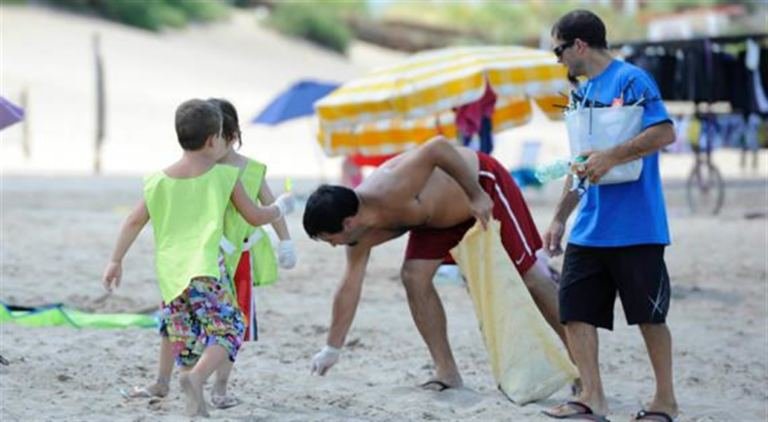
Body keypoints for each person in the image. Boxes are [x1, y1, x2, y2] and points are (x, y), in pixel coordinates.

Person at [303, 136, 568, 391]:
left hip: (482, 187)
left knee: (531, 277)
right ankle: (446, 372)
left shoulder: (390, 186)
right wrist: (331, 349)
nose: (333, 245)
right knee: (414, 276)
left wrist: (476, 194)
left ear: (348, 223)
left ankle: (581, 363)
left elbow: (437, 147)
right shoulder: (358, 239)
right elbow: (349, 286)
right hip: (435, 221)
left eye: (330, 239)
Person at [102, 99, 294, 417]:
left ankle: (194, 400)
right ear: (213, 139)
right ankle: (197, 378)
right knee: (230, 327)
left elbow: (133, 221)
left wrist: (115, 260)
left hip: (171, 272)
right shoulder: (224, 177)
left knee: (185, 334)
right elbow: (255, 216)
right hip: (205, 267)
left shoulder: (157, 181)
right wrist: (281, 207)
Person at [542, 10, 678, 422]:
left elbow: (665, 132)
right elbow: (580, 163)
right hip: (589, 228)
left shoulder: (633, 80)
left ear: (580, 45)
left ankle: (665, 402)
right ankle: (592, 398)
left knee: (649, 317)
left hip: (638, 226)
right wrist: (560, 217)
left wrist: (612, 155)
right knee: (574, 311)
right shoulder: (580, 95)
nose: (558, 59)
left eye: (559, 50)